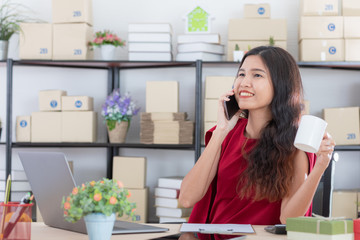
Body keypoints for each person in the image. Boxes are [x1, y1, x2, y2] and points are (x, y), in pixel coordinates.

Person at [179, 46, 336, 226]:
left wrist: (320, 166)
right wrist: (221, 131)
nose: (244, 82)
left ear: (280, 85)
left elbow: (289, 219)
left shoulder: (295, 142)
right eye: (241, 74)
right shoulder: (225, 134)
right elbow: (186, 198)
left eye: (257, 75)